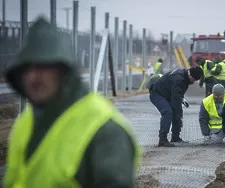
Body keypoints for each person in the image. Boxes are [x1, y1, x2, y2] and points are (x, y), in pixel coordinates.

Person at [3, 17, 140, 188]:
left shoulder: (104, 130)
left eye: (43, 68)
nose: (33, 77)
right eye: (26, 69)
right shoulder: (25, 122)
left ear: (63, 71)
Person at [149, 67, 203, 147]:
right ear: (191, 76)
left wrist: (181, 100)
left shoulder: (184, 76)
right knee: (168, 112)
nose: (194, 82)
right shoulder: (180, 79)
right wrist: (178, 111)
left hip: (167, 95)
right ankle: (162, 139)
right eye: (194, 80)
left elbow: (178, 93)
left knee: (177, 113)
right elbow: (175, 98)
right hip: (157, 94)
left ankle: (175, 137)